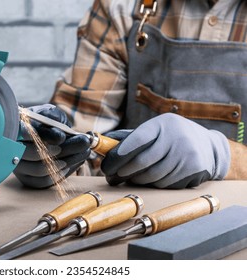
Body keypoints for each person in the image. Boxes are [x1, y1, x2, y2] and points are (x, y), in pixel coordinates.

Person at [14, 0, 247, 189]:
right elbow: (83, 136)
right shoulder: (121, 7)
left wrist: (223, 157)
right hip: (135, 212)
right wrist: (55, 155)